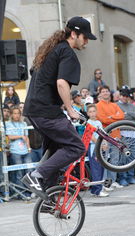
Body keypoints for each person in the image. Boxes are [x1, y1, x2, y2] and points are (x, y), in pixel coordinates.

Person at [21, 16, 97, 200]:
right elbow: (61, 83)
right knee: (76, 147)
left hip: (34, 110)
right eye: (84, 37)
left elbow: (41, 78)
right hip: (46, 112)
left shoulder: (51, 50)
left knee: (56, 150)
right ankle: (35, 176)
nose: (86, 41)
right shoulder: (67, 53)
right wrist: (71, 109)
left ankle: (48, 198)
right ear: (74, 34)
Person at [96, 85, 125, 188]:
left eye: (107, 91)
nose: (105, 93)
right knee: (105, 160)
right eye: (103, 91)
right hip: (105, 136)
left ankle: (113, 181)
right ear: (100, 94)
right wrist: (115, 117)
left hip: (116, 135)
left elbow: (122, 116)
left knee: (115, 160)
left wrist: (111, 117)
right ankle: (105, 183)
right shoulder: (98, 106)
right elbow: (103, 119)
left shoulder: (114, 105)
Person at [117, 89, 135, 185]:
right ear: (120, 96)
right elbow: (121, 117)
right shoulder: (117, 105)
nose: (125, 98)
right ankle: (123, 177)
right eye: (123, 96)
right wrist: (130, 116)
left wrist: (128, 114)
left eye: (126, 96)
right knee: (123, 156)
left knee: (133, 155)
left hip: (133, 133)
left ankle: (131, 176)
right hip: (122, 133)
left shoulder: (131, 106)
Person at [6, 107, 32, 194]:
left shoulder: (24, 123)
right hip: (15, 151)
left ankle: (29, 190)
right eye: (14, 113)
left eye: (18, 113)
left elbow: (26, 137)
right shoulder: (8, 124)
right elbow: (10, 136)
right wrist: (20, 136)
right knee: (19, 172)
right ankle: (20, 193)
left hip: (25, 150)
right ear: (11, 114)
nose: (16, 115)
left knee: (29, 171)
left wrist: (29, 148)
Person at [86, 104, 108, 197]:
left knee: (101, 169)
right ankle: (98, 190)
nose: (92, 113)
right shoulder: (88, 122)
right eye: (90, 112)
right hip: (93, 149)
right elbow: (91, 137)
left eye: (94, 111)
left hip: (100, 148)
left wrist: (105, 143)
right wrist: (100, 145)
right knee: (96, 170)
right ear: (87, 113)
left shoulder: (98, 122)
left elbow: (103, 134)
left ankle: (96, 189)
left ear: (97, 112)